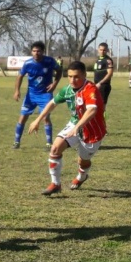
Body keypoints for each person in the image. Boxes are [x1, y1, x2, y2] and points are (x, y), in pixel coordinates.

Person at [28, 60, 107, 195]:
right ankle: (55, 184)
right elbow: (52, 103)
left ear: (84, 75)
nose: (72, 80)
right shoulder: (68, 89)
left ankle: (82, 176)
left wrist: (78, 126)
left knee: (83, 161)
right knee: (55, 148)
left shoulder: (90, 89)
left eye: (76, 76)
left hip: (92, 131)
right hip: (74, 125)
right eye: (70, 76)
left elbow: (92, 110)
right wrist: (37, 120)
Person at [12, 41, 62, 149]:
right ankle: (16, 142)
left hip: (45, 95)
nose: (36, 53)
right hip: (31, 95)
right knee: (22, 117)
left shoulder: (49, 61)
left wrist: (54, 84)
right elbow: (20, 76)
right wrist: (17, 91)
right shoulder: (28, 63)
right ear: (31, 52)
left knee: (45, 117)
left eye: (38, 51)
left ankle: (49, 143)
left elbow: (59, 70)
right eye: (34, 51)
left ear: (43, 51)